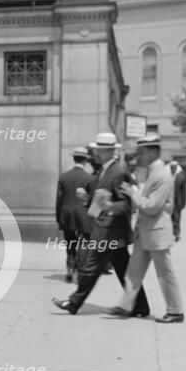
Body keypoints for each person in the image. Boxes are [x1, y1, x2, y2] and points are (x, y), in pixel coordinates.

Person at [52, 132, 149, 316]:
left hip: (111, 230)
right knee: (123, 270)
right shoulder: (104, 171)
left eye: (101, 150)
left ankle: (74, 303)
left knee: (92, 266)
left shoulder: (118, 172)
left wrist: (110, 206)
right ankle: (141, 306)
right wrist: (87, 200)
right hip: (107, 229)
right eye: (97, 150)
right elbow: (99, 199)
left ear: (110, 151)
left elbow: (125, 203)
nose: (96, 153)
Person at [107, 135, 185, 324]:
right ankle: (126, 305)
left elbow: (152, 206)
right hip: (146, 233)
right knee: (134, 271)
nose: (137, 157)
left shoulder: (162, 175)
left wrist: (133, 194)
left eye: (140, 153)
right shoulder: (154, 173)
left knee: (165, 273)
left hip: (156, 233)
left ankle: (175, 311)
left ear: (152, 152)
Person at [55, 147, 95, 282]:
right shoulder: (89, 178)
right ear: (86, 161)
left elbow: (59, 200)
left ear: (74, 159)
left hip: (67, 215)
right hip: (84, 215)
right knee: (84, 243)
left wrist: (59, 217)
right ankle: (80, 270)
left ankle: (70, 268)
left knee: (70, 242)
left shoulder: (64, 177)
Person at [168, 160, 186, 242]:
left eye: (174, 167)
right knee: (168, 218)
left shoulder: (181, 177)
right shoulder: (167, 175)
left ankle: (177, 234)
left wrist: (183, 202)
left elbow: (184, 191)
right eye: (171, 167)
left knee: (177, 218)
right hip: (168, 201)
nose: (173, 169)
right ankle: (169, 234)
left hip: (177, 201)